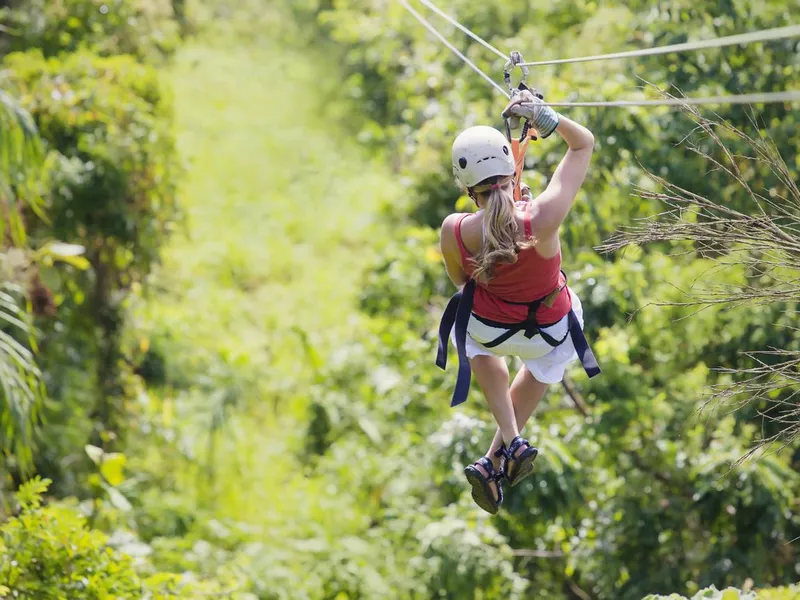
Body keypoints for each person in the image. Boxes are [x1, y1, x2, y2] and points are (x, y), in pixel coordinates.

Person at [436, 89, 599, 514]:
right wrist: (546, 118)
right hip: (548, 330)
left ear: (467, 188)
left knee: (467, 329)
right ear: (512, 169)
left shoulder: (454, 231)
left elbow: (461, 281)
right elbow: (584, 143)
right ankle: (501, 452)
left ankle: (507, 445)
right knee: (546, 360)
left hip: (491, 328)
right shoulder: (542, 217)